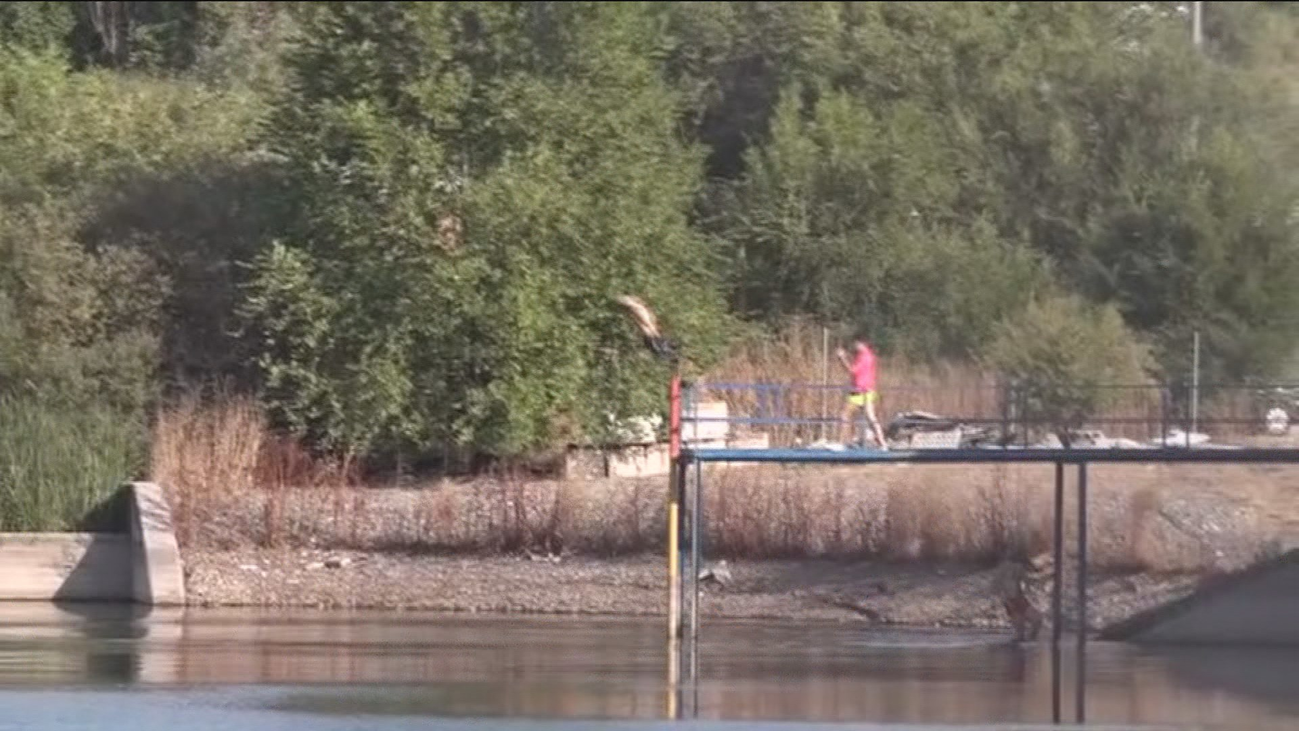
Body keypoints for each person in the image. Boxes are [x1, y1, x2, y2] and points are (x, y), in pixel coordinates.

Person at [836, 339, 888, 449]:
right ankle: (882, 443)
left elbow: (853, 371)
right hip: (868, 390)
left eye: (856, 343)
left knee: (844, 415)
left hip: (859, 392)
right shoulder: (868, 356)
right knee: (871, 417)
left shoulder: (863, 357)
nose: (854, 346)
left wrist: (842, 359)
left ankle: (841, 443)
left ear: (862, 344)